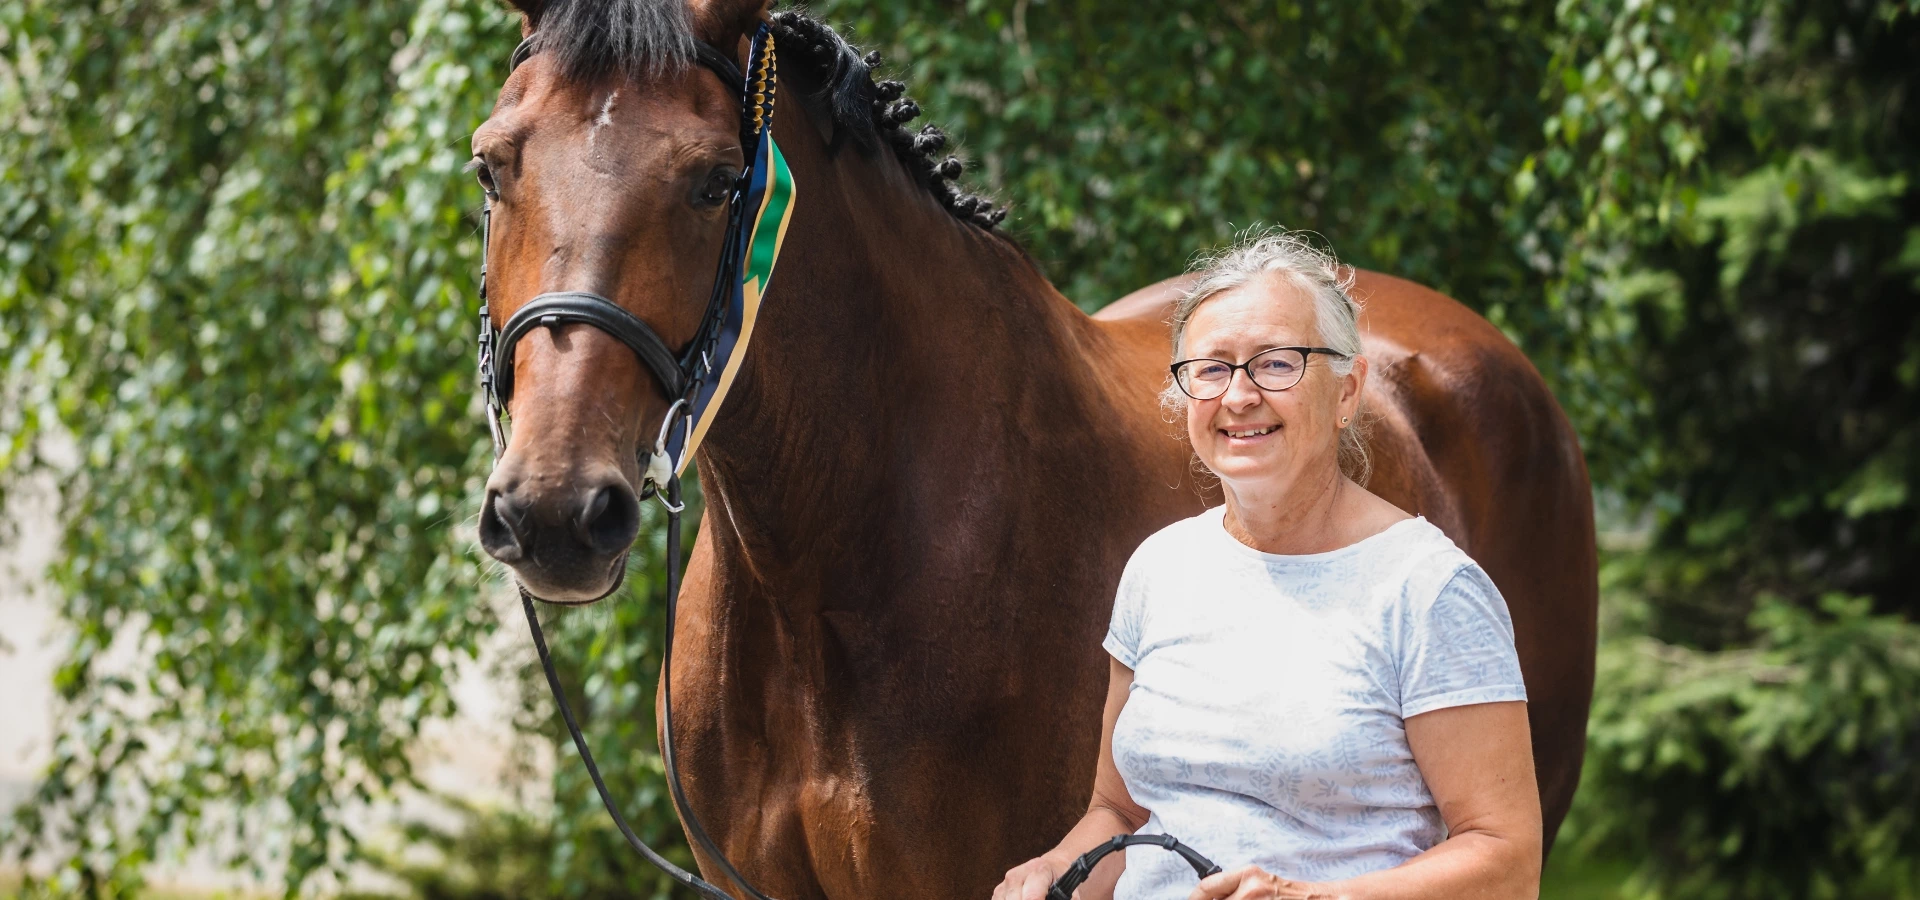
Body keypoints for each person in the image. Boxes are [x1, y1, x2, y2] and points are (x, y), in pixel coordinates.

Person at [993, 231, 1541, 900]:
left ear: (1347, 391)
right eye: (1212, 368)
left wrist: (1320, 899)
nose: (1240, 395)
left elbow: (1508, 863)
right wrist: (1057, 869)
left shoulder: (1430, 591)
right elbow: (1120, 814)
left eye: (1277, 364)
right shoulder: (1158, 571)